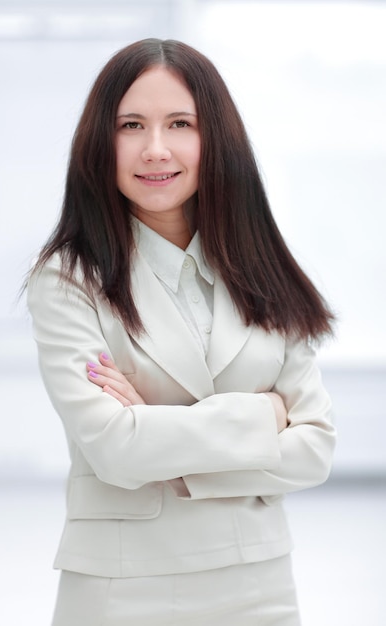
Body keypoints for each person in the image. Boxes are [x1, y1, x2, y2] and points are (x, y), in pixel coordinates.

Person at [27, 38, 336, 626]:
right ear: (101, 141)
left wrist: (159, 436)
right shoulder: (69, 279)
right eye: (131, 125)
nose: (155, 148)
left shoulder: (260, 268)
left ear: (214, 138)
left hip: (258, 583)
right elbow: (117, 452)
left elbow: (315, 449)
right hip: (124, 586)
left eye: (180, 123)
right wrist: (265, 416)